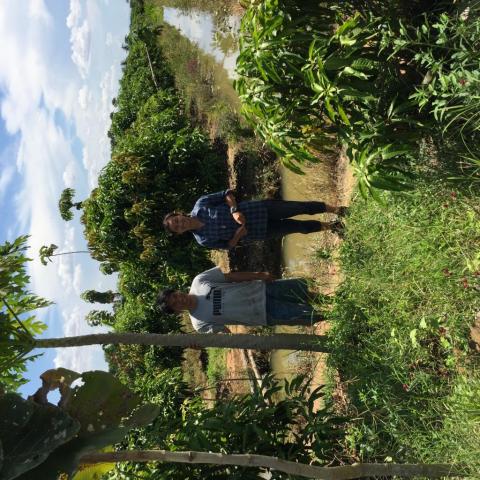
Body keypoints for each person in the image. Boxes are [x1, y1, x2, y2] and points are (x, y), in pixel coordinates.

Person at [156, 266, 323, 333]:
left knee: (306, 292)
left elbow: (231, 277)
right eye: (175, 304)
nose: (179, 300)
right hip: (263, 313)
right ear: (177, 311)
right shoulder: (199, 323)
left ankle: (332, 299)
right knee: (308, 314)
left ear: (177, 291)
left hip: (262, 288)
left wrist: (259, 275)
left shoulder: (199, 281)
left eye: (175, 296)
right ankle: (333, 315)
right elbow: (225, 334)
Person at [163, 189, 346, 249]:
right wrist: (238, 235)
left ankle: (338, 210)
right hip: (258, 232)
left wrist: (234, 210)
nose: (180, 224)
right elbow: (228, 246)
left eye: (176, 220)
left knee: (300, 208)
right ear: (180, 233)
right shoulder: (202, 240)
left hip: (259, 210)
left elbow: (226, 193)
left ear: (179, 214)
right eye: (177, 227)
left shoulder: (201, 204)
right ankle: (332, 226)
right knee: (299, 227)